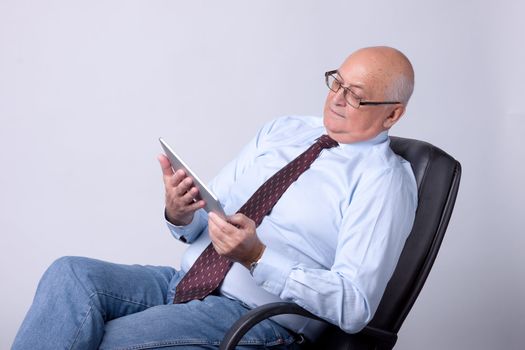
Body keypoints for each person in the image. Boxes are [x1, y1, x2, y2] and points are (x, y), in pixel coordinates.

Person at [12, 46, 417, 350]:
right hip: (183, 282)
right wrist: (181, 212)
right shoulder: (284, 130)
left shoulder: (384, 182)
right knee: (70, 274)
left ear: (392, 114)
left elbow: (354, 306)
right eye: (336, 82)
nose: (337, 98)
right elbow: (212, 213)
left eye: (355, 94)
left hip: (255, 316)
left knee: (111, 340)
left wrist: (258, 257)